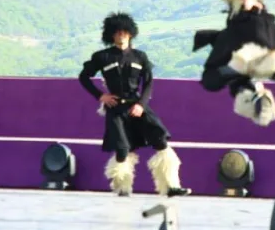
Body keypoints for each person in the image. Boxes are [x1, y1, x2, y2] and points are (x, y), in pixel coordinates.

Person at [79, 12, 191, 197]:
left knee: (160, 139)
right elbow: (83, 77)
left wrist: (141, 104)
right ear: (112, 35)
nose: (121, 35)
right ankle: (122, 188)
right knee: (122, 148)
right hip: (116, 108)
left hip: (137, 106)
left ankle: (171, 186)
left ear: (130, 34)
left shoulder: (140, 57)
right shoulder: (102, 57)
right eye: (117, 32)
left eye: (125, 32)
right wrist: (101, 96)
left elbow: (148, 83)